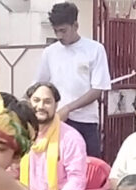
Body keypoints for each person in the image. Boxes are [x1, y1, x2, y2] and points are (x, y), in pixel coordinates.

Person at [36, 1, 111, 157]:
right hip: (56, 121)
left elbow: (97, 90)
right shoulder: (50, 52)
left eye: (63, 30)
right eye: (56, 31)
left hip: (86, 122)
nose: (59, 36)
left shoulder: (95, 49)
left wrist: (68, 108)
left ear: (75, 26)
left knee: (89, 167)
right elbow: (40, 85)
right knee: (57, 168)